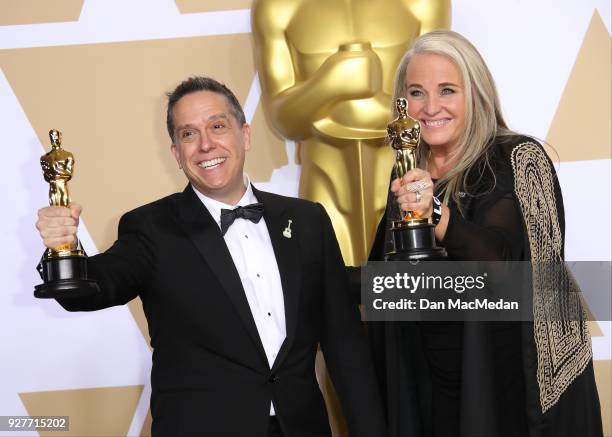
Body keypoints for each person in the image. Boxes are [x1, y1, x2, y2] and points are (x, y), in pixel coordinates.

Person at [35, 76, 386, 437]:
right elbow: (93, 288)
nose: (205, 144)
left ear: (245, 135)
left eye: (218, 126)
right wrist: (63, 249)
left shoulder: (308, 220)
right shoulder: (151, 228)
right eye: (188, 134)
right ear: (176, 153)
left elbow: (345, 347)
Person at [368, 30, 603, 437]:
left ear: (476, 94)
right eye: (417, 93)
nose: (431, 107)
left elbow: (509, 269)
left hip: (511, 389)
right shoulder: (407, 173)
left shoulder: (517, 159)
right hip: (432, 386)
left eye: (447, 90)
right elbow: (385, 278)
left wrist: (435, 214)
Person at [252, 0, 450, 265]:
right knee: (330, 292)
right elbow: (283, 121)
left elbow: (437, 110)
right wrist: (331, 82)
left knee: (412, 294)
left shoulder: (423, 3)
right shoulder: (278, 7)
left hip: (404, 174)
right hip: (325, 175)